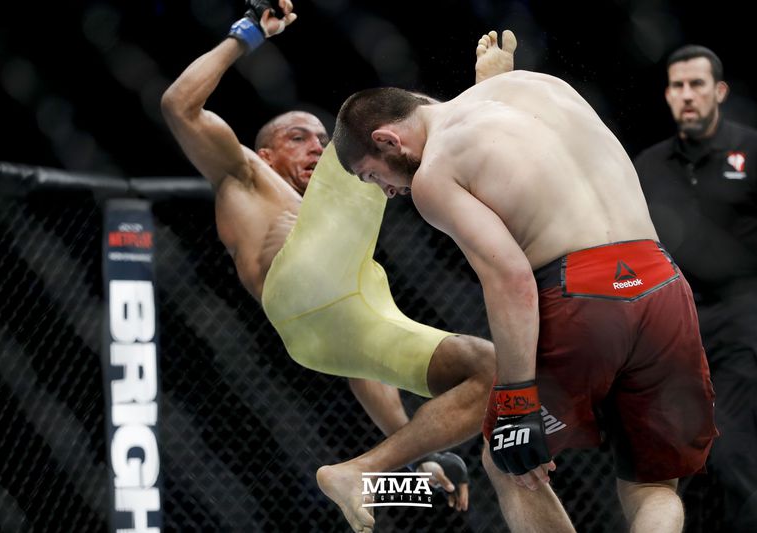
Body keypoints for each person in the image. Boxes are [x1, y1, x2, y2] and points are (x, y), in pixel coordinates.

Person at [333, 30, 719, 532]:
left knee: (508, 459)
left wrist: (517, 401)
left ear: (388, 140)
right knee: (652, 485)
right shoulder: (543, 86)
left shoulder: (434, 173)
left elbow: (510, 277)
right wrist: (491, 80)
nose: (386, 191)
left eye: (372, 176)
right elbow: (517, 145)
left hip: (583, 296)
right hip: (662, 283)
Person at [160, 2, 519, 531]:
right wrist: (247, 34)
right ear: (266, 152)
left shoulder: (337, 228)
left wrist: (420, 455)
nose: (315, 145)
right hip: (296, 289)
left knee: (488, 369)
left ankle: (362, 470)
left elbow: (363, 371)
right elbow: (178, 105)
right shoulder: (246, 173)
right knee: (368, 123)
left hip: (331, 330)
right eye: (297, 137)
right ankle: (480, 99)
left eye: (318, 139)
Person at [633, 44, 757, 532]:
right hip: (677, 328)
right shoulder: (649, 165)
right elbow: (634, 248)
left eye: (697, 85)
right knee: (682, 462)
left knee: (733, 452)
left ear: (719, 91)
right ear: (667, 94)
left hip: (748, 318)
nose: (687, 95)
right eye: (678, 86)